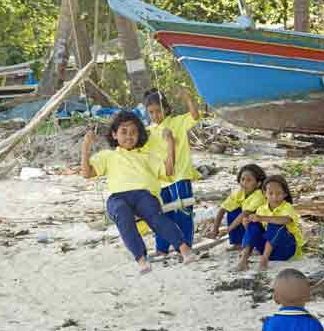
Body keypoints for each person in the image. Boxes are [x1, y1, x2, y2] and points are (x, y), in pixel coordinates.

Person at [81, 111, 197, 274]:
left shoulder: (147, 156)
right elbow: (87, 173)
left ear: (139, 135)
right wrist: (86, 146)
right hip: (118, 197)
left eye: (133, 132)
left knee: (154, 215)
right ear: (114, 135)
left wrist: (170, 143)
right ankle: (141, 259)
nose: (129, 136)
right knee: (122, 213)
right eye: (124, 132)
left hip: (143, 195)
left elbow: (169, 171)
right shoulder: (108, 156)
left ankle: (184, 249)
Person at [141, 88, 200, 255]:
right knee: (162, 215)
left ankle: (186, 246)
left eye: (158, 111)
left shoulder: (177, 122)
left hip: (180, 176)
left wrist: (187, 98)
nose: (155, 115)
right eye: (151, 112)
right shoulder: (148, 132)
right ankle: (162, 248)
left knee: (183, 212)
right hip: (160, 180)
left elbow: (195, 116)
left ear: (166, 109)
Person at [238, 175, 303, 271]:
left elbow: (285, 220)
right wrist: (247, 223)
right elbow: (253, 231)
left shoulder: (287, 207)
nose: (274, 197)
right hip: (266, 249)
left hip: (286, 249)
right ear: (265, 193)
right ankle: (244, 258)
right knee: (253, 224)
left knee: (275, 224)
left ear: (285, 194)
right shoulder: (261, 209)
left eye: (278, 193)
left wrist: (261, 218)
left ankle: (264, 260)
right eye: (270, 193)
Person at [209, 164, 267, 250]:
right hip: (244, 220)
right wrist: (215, 229)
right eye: (242, 179)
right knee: (232, 211)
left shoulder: (259, 195)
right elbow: (222, 209)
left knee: (247, 218)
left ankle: (251, 244)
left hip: (261, 225)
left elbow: (245, 213)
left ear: (258, 184)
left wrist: (228, 229)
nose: (244, 183)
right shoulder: (239, 193)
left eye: (249, 180)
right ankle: (238, 243)